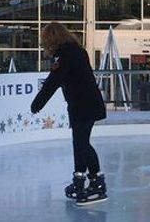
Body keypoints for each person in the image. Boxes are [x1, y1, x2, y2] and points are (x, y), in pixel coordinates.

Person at [30, 23, 108, 206]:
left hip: (83, 106)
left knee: (81, 144)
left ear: (51, 39)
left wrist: (37, 104)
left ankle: (97, 182)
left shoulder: (64, 56)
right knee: (79, 143)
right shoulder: (77, 51)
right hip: (86, 104)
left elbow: (52, 82)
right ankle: (80, 180)